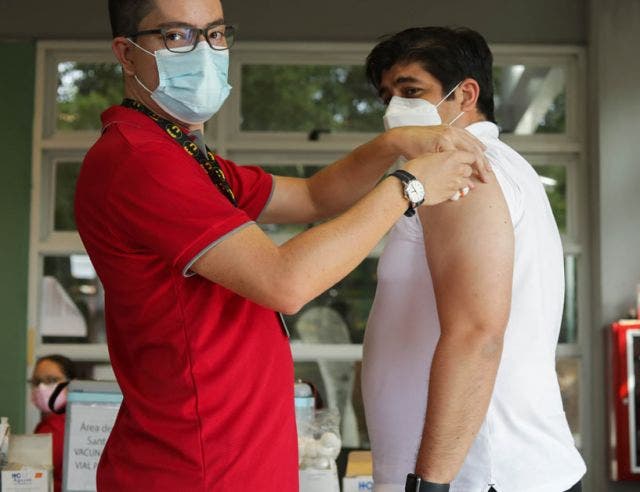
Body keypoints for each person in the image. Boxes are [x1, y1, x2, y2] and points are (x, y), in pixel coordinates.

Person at [76, 1, 490, 490]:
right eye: (177, 36)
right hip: (195, 467)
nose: (206, 52)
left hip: (234, 460)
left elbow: (316, 196)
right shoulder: (141, 161)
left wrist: (392, 144)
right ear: (126, 53)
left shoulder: (190, 160)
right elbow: (285, 282)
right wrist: (407, 187)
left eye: (215, 33)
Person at [361, 27, 586, 492]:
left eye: (411, 91)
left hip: (478, 476)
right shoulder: (504, 165)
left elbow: (477, 334)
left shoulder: (457, 170)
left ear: (465, 94)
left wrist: (431, 484)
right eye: (387, 96)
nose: (394, 110)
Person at [30, 354, 75, 492]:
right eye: (37, 382)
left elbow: (34, 476)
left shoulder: (58, 427)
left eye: (51, 380)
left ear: (71, 383)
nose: (42, 387)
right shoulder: (49, 424)